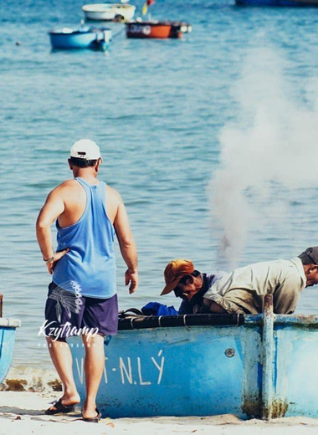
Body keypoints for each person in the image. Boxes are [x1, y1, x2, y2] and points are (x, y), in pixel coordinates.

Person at [35, 138, 138, 423]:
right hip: (103, 282)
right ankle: (90, 407)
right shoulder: (113, 196)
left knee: (56, 334)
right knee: (93, 340)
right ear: (98, 163)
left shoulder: (63, 191)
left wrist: (48, 257)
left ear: (70, 164)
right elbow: (126, 240)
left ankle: (70, 392)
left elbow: (43, 224)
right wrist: (133, 270)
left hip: (69, 279)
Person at [184, 247, 318, 316]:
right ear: (312, 268)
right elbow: (281, 318)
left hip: (211, 299)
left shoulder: (280, 265)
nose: (315, 283)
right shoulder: (294, 276)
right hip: (228, 304)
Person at [158, 259, 226, 315]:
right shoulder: (189, 299)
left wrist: (201, 309)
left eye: (177, 289)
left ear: (189, 280)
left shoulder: (218, 281)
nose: (176, 295)